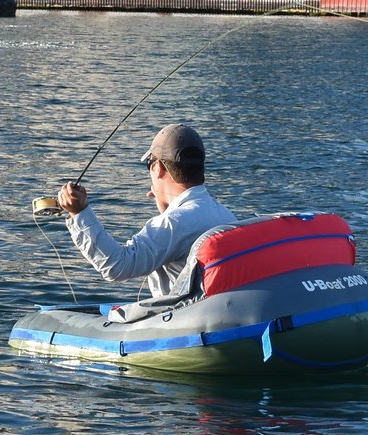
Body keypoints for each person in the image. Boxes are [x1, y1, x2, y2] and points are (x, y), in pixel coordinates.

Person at [54, 123, 237, 305]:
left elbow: (118, 266)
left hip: (179, 325)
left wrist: (80, 213)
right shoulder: (226, 216)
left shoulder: (175, 223)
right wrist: (167, 207)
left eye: (149, 164)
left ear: (158, 168)